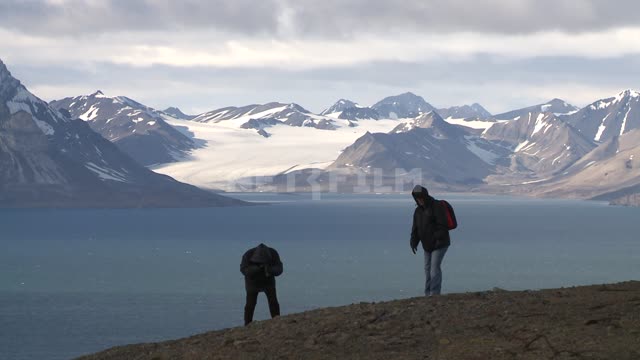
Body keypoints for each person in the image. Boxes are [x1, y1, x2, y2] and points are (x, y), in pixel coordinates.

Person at [409, 185, 451, 296]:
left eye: (421, 197)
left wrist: (436, 239)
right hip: (427, 245)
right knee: (427, 271)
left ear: (425, 196)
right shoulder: (418, 211)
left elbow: (442, 225)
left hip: (440, 244)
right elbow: (416, 229)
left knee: (434, 270)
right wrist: (413, 242)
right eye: (417, 198)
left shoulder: (436, 206)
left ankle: (434, 294)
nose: (420, 200)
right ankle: (428, 294)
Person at [240, 243, 283, 325]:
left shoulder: (273, 253)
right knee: (250, 304)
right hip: (252, 282)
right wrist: (257, 268)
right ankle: (247, 324)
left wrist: (269, 270)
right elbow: (244, 270)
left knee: (273, 302)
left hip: (268, 281)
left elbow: (279, 269)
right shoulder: (248, 254)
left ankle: (277, 320)